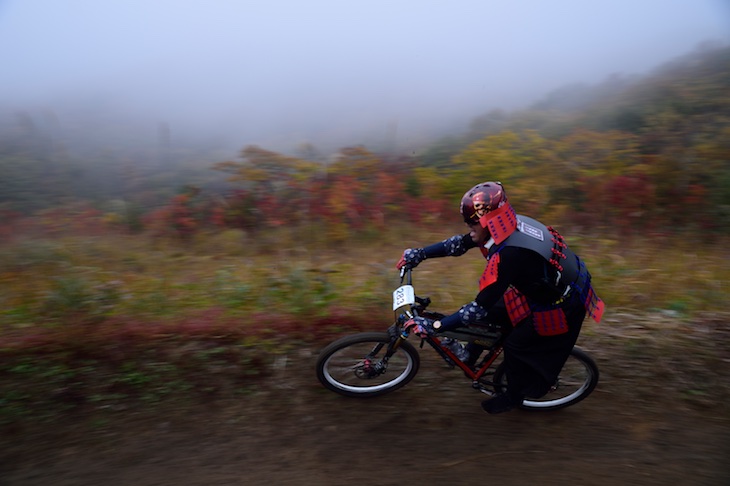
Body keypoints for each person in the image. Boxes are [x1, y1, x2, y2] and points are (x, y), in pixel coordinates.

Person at [396, 181, 604, 414]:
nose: (468, 226)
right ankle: (469, 354)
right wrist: (420, 254)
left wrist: (435, 325)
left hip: (561, 303)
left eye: (473, 222)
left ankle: (515, 396)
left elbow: (477, 307)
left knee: (516, 344)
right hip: (543, 287)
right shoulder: (507, 225)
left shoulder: (510, 253)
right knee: (493, 314)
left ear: (489, 221)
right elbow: (460, 244)